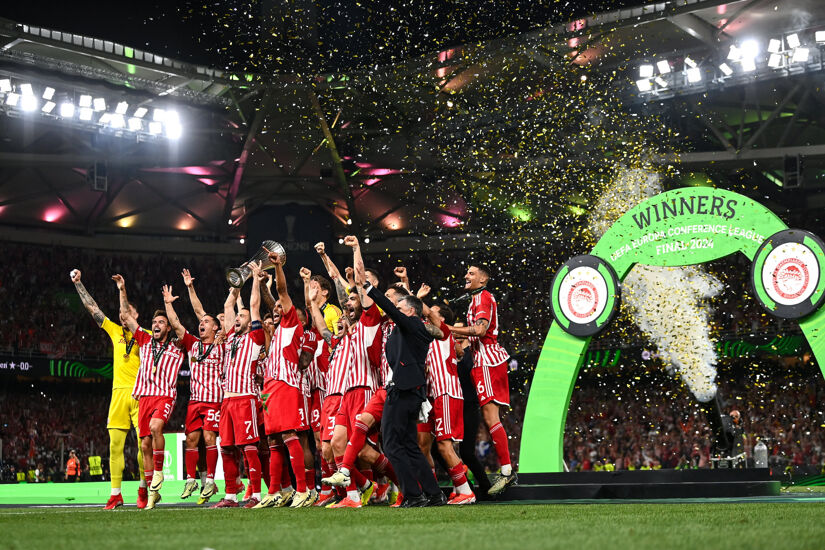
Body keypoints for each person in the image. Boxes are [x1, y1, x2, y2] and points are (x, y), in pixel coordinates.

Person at [355, 238, 445, 508]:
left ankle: (414, 495)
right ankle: (433, 493)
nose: (398, 310)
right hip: (409, 390)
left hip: (403, 390)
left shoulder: (413, 324)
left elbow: (394, 309)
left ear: (410, 311)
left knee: (393, 446)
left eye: (402, 307)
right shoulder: (409, 329)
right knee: (407, 445)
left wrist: (370, 288)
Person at [70, 269, 148, 509]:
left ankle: (143, 489)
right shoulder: (115, 331)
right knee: (115, 446)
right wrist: (78, 284)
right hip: (118, 395)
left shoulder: (145, 335)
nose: (123, 316)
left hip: (139, 394)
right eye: (122, 314)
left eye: (128, 313)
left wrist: (122, 290)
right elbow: (92, 309)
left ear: (136, 315)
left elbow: (125, 311)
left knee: (141, 447)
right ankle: (116, 494)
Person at [116, 275, 187, 510]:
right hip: (144, 397)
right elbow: (126, 316)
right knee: (144, 445)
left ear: (167, 327)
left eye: (161, 322)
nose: (156, 325)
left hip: (165, 395)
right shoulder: (144, 339)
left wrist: (169, 305)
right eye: (154, 321)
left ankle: (158, 474)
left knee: (156, 428)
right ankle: (153, 492)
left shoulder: (177, 345)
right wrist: (123, 289)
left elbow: (178, 325)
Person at [449, 265, 515, 495]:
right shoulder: (476, 299)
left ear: (484, 279)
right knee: (489, 418)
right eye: (466, 272)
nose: (466, 275)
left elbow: (479, 330)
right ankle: (506, 470)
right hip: (483, 360)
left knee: (490, 416)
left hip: (487, 360)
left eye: (472, 273)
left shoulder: (483, 298)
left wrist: (448, 329)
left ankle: (507, 472)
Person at [255, 254, 314, 509]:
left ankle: (303, 490)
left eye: (282, 308)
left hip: (286, 384)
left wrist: (278, 266)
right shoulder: (279, 328)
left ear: (295, 315)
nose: (278, 310)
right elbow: (274, 302)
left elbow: (281, 291)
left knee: (289, 435)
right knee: (273, 440)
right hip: (269, 386)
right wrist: (259, 284)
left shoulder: (293, 324)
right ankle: (274, 492)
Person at [161, 282, 224, 503]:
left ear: (216, 328)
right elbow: (176, 324)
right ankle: (191, 479)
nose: (202, 324)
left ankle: (210, 481)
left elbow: (199, 310)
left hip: (214, 401)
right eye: (201, 323)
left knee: (209, 438)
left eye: (207, 322)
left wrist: (191, 289)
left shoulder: (221, 346)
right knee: (191, 439)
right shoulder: (193, 345)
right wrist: (168, 304)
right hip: (195, 401)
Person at [210, 266, 265, 508]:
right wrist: (237, 284)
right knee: (227, 447)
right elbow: (226, 307)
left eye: (242, 317)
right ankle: (231, 495)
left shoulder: (255, 338)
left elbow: (253, 307)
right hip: (227, 400)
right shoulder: (231, 337)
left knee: (249, 447)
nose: (239, 318)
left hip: (245, 398)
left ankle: (256, 495)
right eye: (239, 317)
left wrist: (253, 280)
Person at [453, 321, 492, 496]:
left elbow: (470, 372)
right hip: (454, 406)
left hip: (469, 407)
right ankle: (465, 486)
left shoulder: (473, 354)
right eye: (455, 330)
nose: (458, 334)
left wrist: (463, 350)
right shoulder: (449, 353)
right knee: (444, 449)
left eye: (461, 330)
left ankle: (485, 487)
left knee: (467, 453)